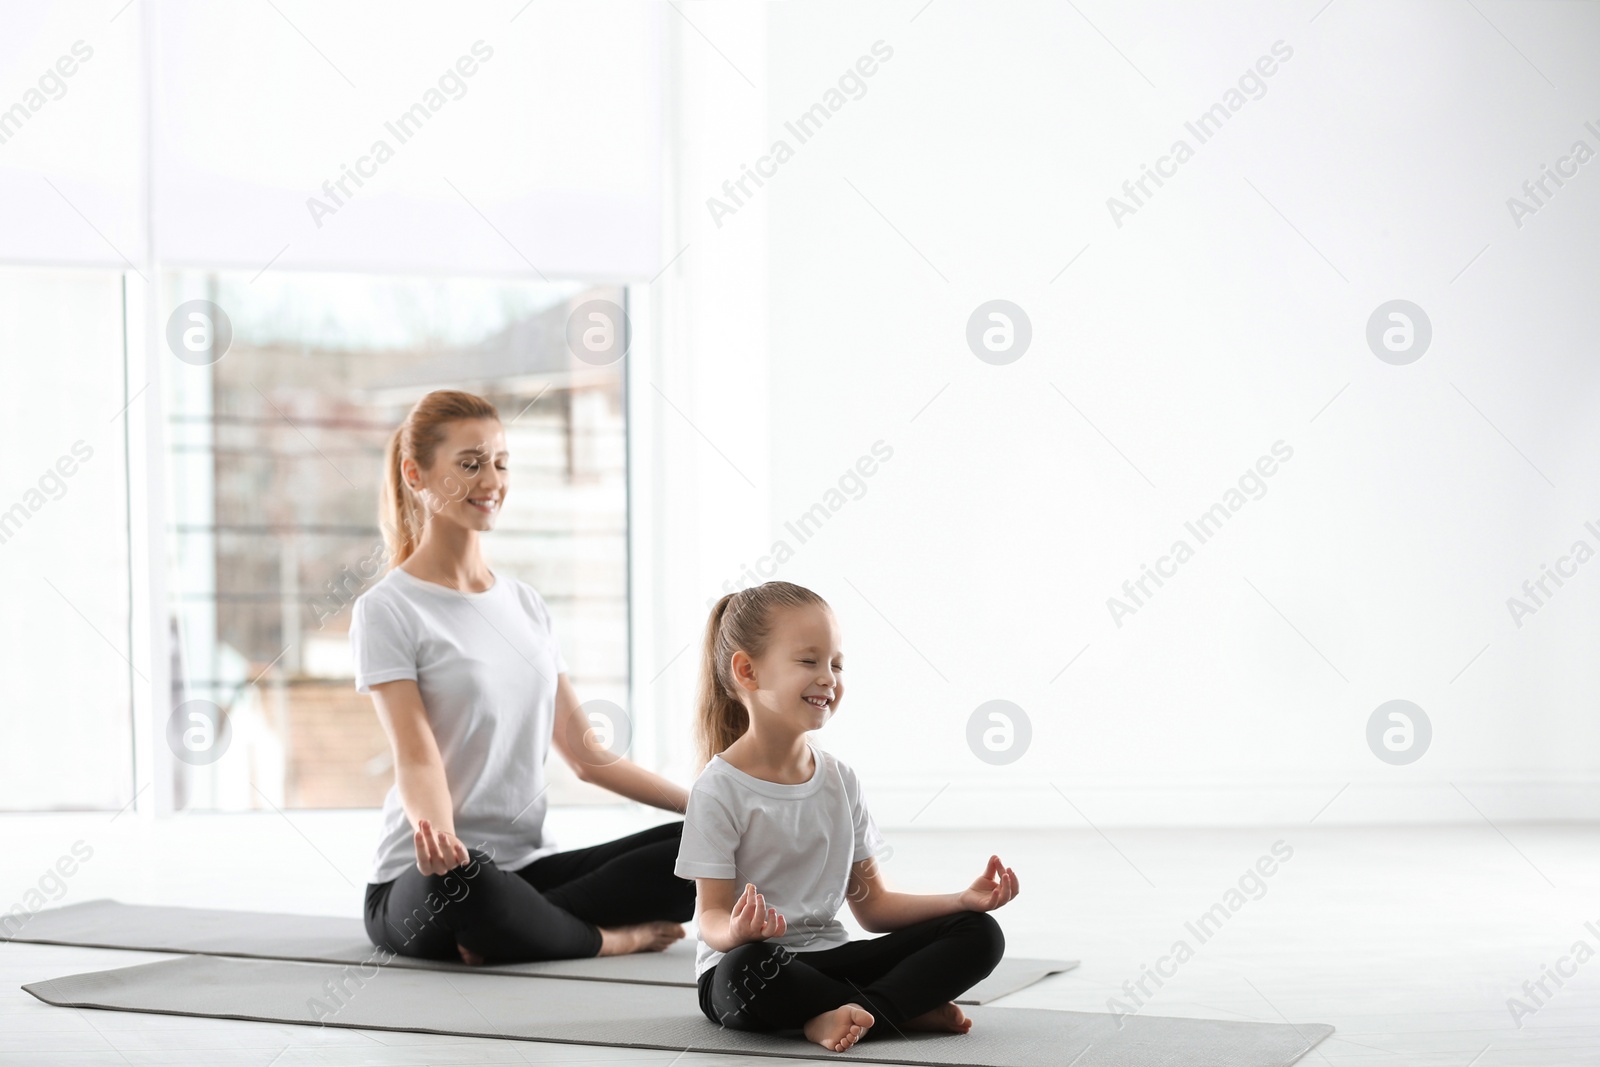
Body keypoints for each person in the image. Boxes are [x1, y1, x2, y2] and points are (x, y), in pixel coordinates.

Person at [353, 389, 692, 965]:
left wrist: (709, 808)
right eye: (470, 463)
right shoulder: (389, 608)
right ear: (417, 474)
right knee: (468, 882)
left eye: (501, 462)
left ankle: (512, 927)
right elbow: (416, 757)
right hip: (429, 879)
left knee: (718, 848)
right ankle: (601, 937)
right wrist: (437, 835)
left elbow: (589, 757)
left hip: (528, 870)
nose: (492, 480)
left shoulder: (526, 604)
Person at [675, 581, 1018, 1052]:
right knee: (745, 968)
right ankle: (894, 1010)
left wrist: (962, 899)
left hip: (830, 959)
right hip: (751, 968)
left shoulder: (841, 780)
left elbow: (874, 908)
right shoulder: (718, 788)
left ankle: (853, 1014)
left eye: (836, 664)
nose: (828, 678)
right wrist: (736, 931)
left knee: (979, 933)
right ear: (748, 671)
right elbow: (709, 916)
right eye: (809, 661)